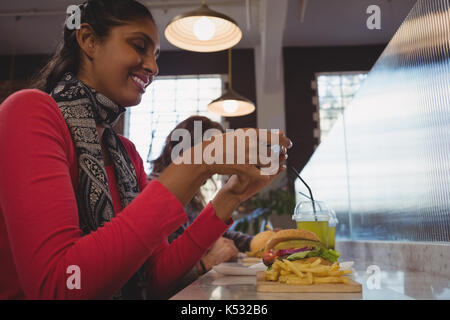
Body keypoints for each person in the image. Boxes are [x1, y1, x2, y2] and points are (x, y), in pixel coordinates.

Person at [0, 0, 291, 299]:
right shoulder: (29, 112)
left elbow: (152, 280)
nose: (153, 66)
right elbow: (60, 285)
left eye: (155, 55)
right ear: (88, 40)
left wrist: (231, 196)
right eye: (139, 46)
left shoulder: (127, 154)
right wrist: (199, 162)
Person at [149, 116, 254, 292]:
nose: (216, 169)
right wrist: (205, 264)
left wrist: (257, 242)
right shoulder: (150, 190)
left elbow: (214, 234)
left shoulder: (192, 196)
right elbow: (149, 280)